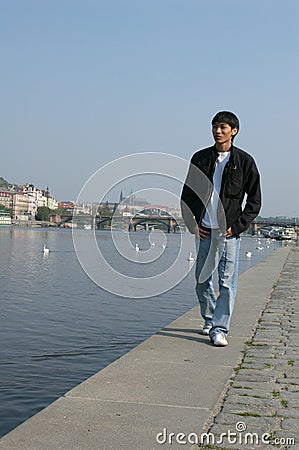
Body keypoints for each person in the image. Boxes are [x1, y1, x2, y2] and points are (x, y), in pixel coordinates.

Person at [181, 111, 261, 347]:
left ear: (234, 131)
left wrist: (237, 227)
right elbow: (187, 194)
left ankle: (220, 328)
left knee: (226, 282)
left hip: (228, 233)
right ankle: (209, 318)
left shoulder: (245, 162)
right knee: (202, 280)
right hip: (205, 228)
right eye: (215, 126)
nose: (218, 131)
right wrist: (192, 222)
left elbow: (254, 200)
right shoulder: (200, 159)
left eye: (223, 127)